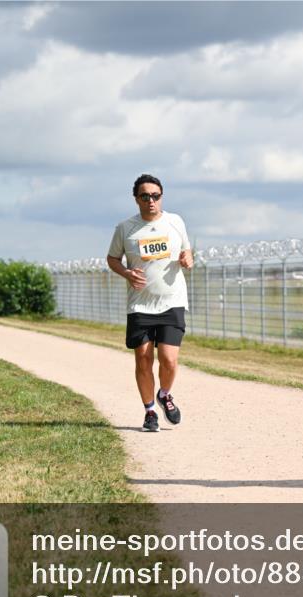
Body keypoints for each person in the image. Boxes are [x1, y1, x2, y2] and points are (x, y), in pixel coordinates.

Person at [106, 174, 193, 433]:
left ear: (161, 197)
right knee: (143, 359)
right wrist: (126, 273)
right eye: (145, 196)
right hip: (140, 305)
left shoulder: (175, 222)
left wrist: (188, 258)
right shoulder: (125, 229)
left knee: (168, 360)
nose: (151, 201)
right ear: (136, 199)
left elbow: (186, 251)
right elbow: (112, 259)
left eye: (156, 196)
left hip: (172, 300)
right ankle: (149, 412)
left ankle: (164, 394)